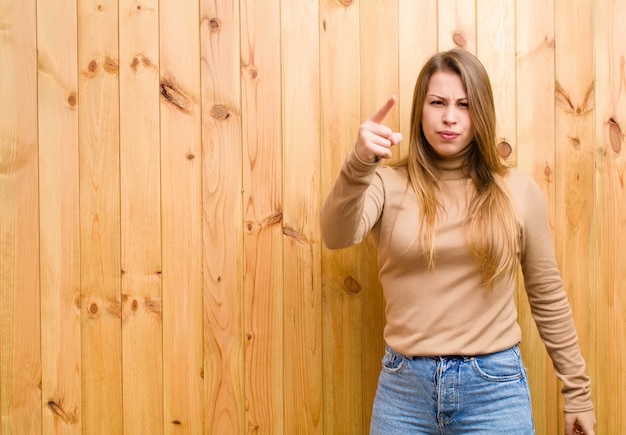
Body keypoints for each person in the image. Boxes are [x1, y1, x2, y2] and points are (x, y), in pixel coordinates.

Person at [320, 48, 596, 435]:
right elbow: (336, 234)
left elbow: (547, 294)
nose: (450, 116)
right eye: (438, 102)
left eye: (464, 105)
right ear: (420, 109)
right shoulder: (387, 183)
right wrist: (359, 162)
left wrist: (578, 393)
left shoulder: (516, 190)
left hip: (495, 392)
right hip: (404, 392)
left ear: (480, 113)